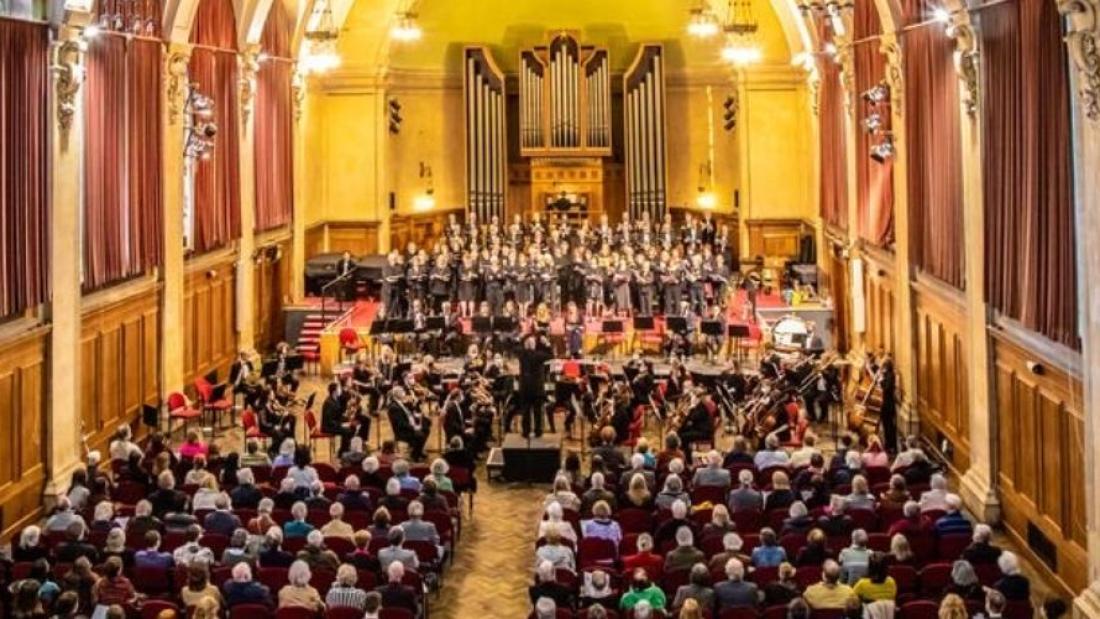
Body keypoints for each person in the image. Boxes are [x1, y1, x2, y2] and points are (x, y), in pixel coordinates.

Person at [517, 333, 554, 437]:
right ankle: (538, 431)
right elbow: (551, 355)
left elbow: (516, 346)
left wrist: (523, 337)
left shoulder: (522, 354)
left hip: (525, 387)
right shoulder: (539, 355)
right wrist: (546, 343)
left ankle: (526, 432)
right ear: (534, 345)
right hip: (537, 388)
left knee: (525, 411)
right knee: (538, 411)